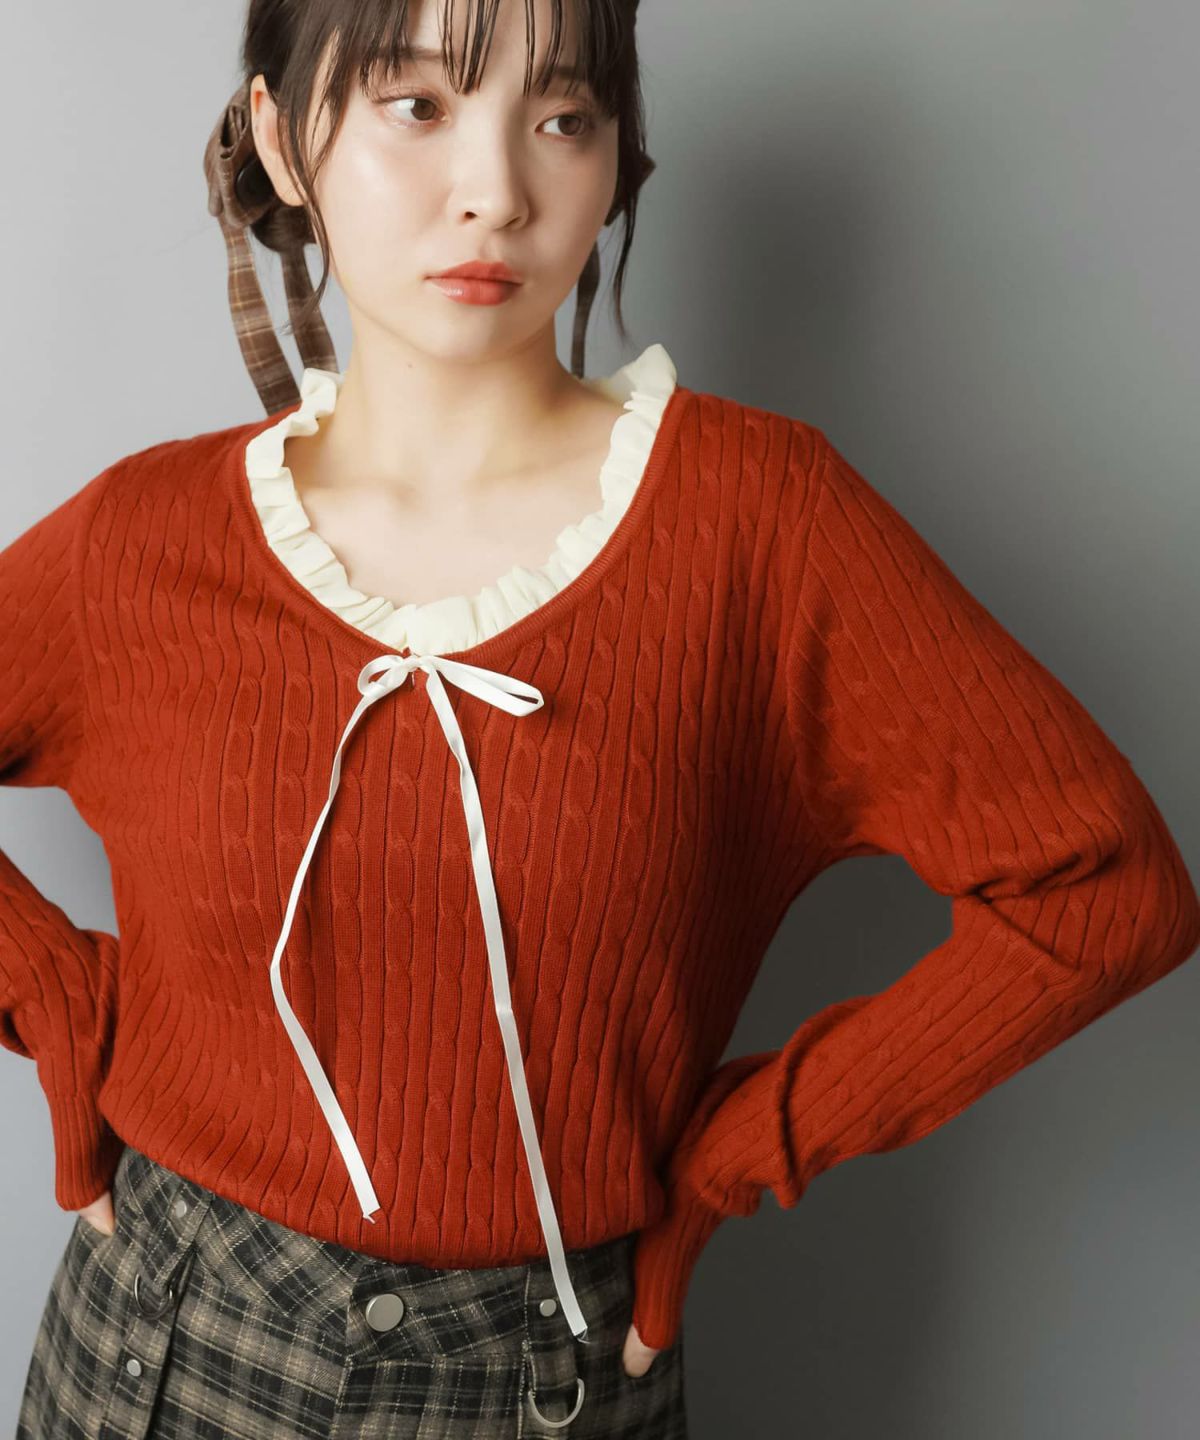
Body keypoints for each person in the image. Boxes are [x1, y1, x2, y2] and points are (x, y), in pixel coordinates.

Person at [5, 0, 1198, 1436]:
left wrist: (746, 1150)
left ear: (619, 156)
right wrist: (54, 997)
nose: (498, 189)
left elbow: (1104, 888)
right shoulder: (143, 538)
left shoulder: (768, 529)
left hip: (544, 1378)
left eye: (562, 119)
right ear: (280, 137)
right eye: (417, 106)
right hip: (158, 1350)